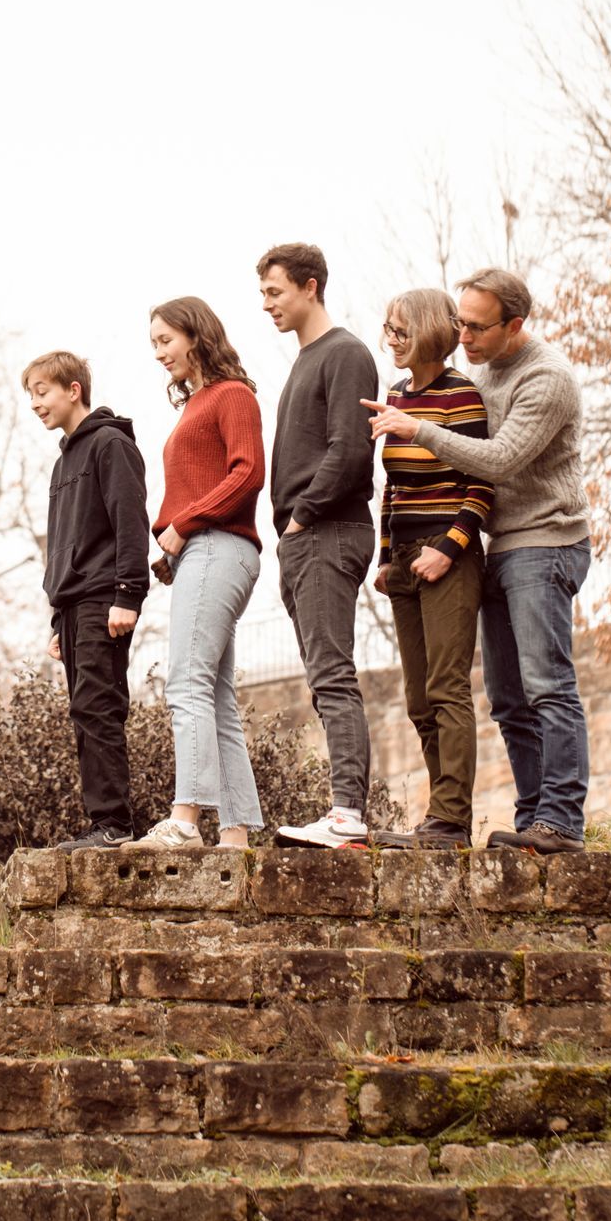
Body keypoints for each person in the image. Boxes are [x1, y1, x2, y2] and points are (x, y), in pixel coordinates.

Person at [363, 268, 592, 854]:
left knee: (546, 685)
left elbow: (499, 461)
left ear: (515, 324)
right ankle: (533, 819)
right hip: (502, 547)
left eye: (476, 325)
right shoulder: (477, 371)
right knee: (508, 697)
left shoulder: (546, 379)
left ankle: (561, 822)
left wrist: (419, 429)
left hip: (545, 540)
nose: (462, 333)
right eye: (459, 322)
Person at [256, 243, 381, 848]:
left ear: (310, 286)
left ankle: (348, 815)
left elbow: (352, 450)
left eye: (275, 292)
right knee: (322, 677)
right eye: (263, 295)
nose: (267, 305)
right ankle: (342, 812)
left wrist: (303, 517)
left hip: (328, 532)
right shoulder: (306, 359)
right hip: (305, 539)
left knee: (332, 675)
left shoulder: (346, 353)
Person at [132, 298, 268, 850]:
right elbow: (205, 481)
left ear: (196, 335)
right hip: (201, 551)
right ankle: (235, 836)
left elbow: (249, 473)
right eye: (154, 345)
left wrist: (184, 524)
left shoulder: (232, 395)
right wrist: (175, 548)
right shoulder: (194, 405)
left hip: (218, 547)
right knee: (214, 695)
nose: (160, 353)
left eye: (166, 340)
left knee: (186, 683)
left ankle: (185, 822)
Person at [362, 289, 493, 852]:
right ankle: (438, 820)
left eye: (399, 331)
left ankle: (451, 820)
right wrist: (387, 556)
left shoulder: (460, 393)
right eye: (386, 330)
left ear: (424, 332)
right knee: (417, 698)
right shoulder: (394, 395)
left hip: (449, 555)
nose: (390, 340)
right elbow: (392, 487)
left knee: (447, 687)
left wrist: (452, 546)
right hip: (405, 558)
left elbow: (484, 480)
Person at [23, 350, 149, 851]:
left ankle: (114, 824)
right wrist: (58, 619)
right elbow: (64, 541)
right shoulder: (64, 460)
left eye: (42, 391)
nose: (35, 404)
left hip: (105, 598)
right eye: (30, 395)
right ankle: (103, 822)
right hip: (73, 605)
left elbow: (129, 523)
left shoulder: (110, 445)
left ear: (73, 389)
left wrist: (128, 594)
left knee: (99, 707)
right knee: (84, 710)